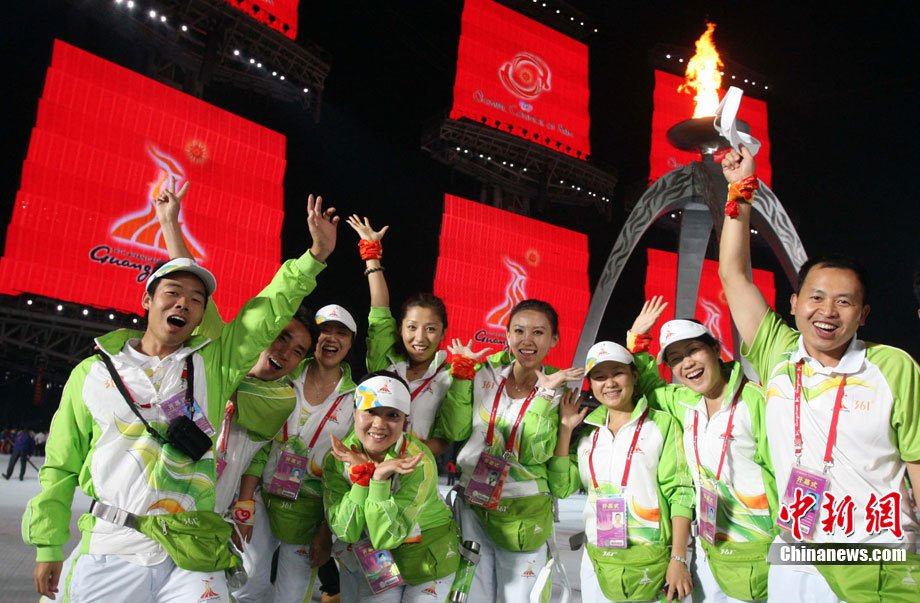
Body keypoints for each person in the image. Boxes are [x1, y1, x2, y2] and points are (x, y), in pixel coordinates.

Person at [23, 186, 339, 602]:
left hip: (191, 551)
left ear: (202, 315)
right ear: (147, 298)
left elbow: (266, 309)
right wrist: (48, 545)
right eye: (172, 293)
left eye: (195, 299)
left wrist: (314, 257)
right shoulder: (93, 374)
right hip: (114, 545)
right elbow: (61, 465)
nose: (183, 304)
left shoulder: (213, 366)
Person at [718, 145, 920, 601]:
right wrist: (740, 190)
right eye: (816, 297)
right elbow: (734, 274)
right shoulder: (777, 351)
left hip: (874, 554)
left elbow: (917, 461)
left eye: (844, 302)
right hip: (795, 552)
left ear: (863, 315)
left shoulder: (892, 366)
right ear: (793, 304)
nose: (827, 311)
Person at [626, 298, 775, 602]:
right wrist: (637, 341)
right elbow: (646, 387)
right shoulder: (683, 402)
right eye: (676, 359)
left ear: (716, 349)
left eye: (694, 350)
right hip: (709, 549)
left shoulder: (757, 401)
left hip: (761, 552)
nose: (687, 363)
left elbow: (785, 472)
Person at [434, 299, 583, 602]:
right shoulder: (484, 372)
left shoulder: (561, 389)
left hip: (524, 511)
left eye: (538, 332)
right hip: (473, 503)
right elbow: (455, 431)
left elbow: (532, 454)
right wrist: (462, 376)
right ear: (507, 335)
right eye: (519, 331)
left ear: (554, 339)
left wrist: (544, 394)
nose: (527, 340)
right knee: (471, 596)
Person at [550, 341, 695, 602]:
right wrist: (566, 430)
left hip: (652, 561)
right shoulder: (589, 435)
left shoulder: (662, 424)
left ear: (634, 376)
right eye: (599, 377)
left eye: (618, 373)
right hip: (597, 560)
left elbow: (680, 494)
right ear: (591, 384)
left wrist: (678, 558)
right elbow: (562, 487)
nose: (610, 383)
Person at [233, 303, 358, 603]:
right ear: (314, 339)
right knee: (246, 584)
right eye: (325, 330)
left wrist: (325, 532)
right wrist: (245, 503)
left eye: (341, 333)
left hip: (309, 515)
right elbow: (260, 442)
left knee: (290, 597)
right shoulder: (283, 376)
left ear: (351, 343)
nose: (331, 338)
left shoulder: (356, 399)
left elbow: (344, 474)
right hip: (263, 498)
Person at [323, 371, 461, 602]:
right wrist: (363, 478)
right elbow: (346, 531)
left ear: (404, 420)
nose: (379, 424)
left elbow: (387, 536)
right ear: (354, 411)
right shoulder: (338, 457)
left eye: (392, 415)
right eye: (370, 411)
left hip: (427, 561)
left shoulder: (417, 461)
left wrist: (378, 481)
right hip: (377, 563)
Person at [347, 215, 452, 455]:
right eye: (412, 327)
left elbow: (445, 438)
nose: (420, 338)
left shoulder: (450, 377)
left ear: (443, 333)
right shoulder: (384, 361)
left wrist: (405, 458)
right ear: (400, 329)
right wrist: (371, 254)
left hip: (416, 466)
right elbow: (380, 311)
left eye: (430, 329)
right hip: (368, 462)